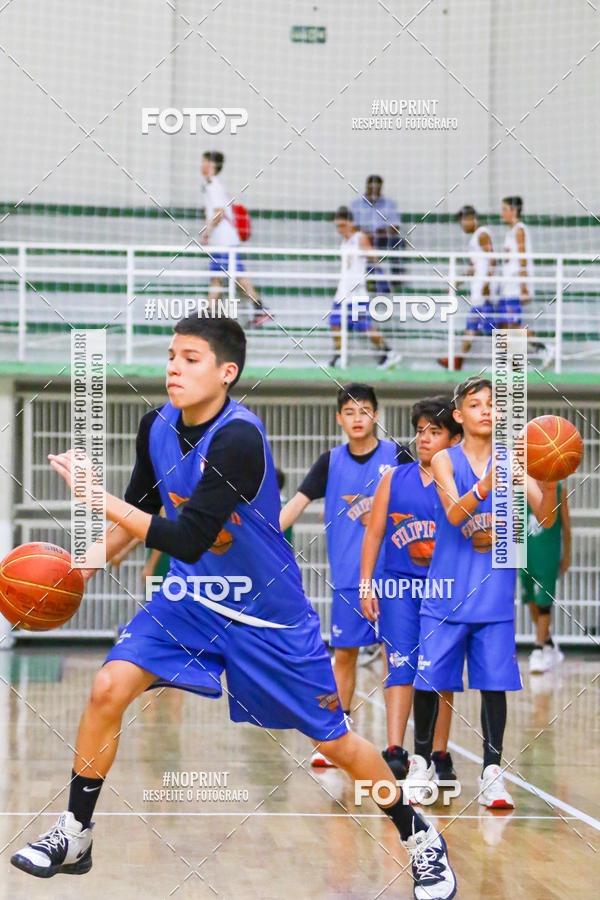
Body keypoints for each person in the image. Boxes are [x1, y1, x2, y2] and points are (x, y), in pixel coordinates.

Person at [11, 316, 457, 899]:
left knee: (334, 743)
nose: (174, 367)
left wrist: (95, 498)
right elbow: (139, 511)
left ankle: (419, 835)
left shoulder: (239, 438)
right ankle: (76, 832)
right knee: (107, 688)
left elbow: (186, 537)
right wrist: (80, 569)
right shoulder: (155, 427)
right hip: (192, 598)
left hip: (267, 613)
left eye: (190, 358)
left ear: (227, 372)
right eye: (171, 355)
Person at [408, 377, 559, 809]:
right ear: (459, 415)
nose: (487, 410)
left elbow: (546, 518)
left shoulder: (514, 460)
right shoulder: (444, 459)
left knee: (494, 686)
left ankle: (492, 772)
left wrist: (549, 481)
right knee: (430, 681)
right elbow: (455, 514)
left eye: (493, 404)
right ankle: (421, 762)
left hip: (494, 597)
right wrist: (487, 484)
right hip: (446, 594)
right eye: (476, 404)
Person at [280, 383, 412, 767]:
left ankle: (396, 746)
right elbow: (295, 505)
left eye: (364, 411)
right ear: (339, 418)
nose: (358, 418)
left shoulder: (397, 455)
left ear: (376, 415)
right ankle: (337, 737)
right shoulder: (330, 462)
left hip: (396, 577)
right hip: (349, 579)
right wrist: (262, 538)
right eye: (350, 412)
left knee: (394, 658)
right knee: (345, 656)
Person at [360, 397, 462, 783]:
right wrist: (366, 584)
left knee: (441, 671)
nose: (424, 439)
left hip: (444, 586)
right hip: (398, 584)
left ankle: (439, 753)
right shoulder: (393, 478)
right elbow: (374, 534)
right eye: (420, 431)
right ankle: (395, 750)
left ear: (454, 439)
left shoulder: (460, 481)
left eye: (434, 432)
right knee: (399, 665)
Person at [200, 151, 268, 327]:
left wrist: (207, 232)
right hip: (220, 242)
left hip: (225, 242)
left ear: (212, 165)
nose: (201, 165)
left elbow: (219, 212)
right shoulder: (210, 185)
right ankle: (209, 315)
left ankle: (260, 308)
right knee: (217, 277)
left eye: (204, 162)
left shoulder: (214, 186)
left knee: (235, 275)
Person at [328, 207, 400, 369]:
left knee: (365, 326)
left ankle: (389, 353)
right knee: (334, 323)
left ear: (351, 223)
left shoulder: (360, 238)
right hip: (343, 292)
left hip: (356, 292)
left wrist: (368, 254)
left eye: (342, 225)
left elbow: (374, 257)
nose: (340, 229)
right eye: (338, 226)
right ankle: (339, 356)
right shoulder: (345, 242)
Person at [521, 481, 570, 673]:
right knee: (531, 601)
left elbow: (566, 525)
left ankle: (538, 649)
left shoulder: (558, 488)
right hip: (526, 553)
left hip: (548, 553)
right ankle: (548, 641)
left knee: (544, 602)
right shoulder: (521, 484)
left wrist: (567, 555)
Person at [438, 205, 495, 371]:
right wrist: (455, 284)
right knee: (476, 326)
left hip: (484, 291)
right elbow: (472, 268)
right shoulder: (476, 238)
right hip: (479, 290)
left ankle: (517, 359)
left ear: (471, 219)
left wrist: (488, 283)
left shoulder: (482, 234)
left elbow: (493, 260)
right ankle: (458, 360)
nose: (461, 225)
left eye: (462, 221)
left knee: (493, 328)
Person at [500, 196, 552, 369]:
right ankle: (512, 363)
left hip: (515, 286)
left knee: (512, 324)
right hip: (508, 286)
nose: (502, 213)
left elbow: (522, 259)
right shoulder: (510, 232)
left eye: (505, 209)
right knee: (506, 325)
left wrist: (523, 285)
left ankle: (543, 348)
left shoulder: (519, 230)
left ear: (514, 211)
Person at [351, 174, 405, 287]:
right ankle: (365, 278)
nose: (374, 189)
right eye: (372, 186)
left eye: (377, 187)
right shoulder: (356, 204)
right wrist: (365, 234)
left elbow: (395, 227)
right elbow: (353, 227)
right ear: (367, 186)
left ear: (381, 187)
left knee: (398, 242)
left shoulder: (390, 204)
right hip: (364, 238)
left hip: (383, 238)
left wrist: (380, 233)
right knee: (357, 242)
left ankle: (397, 280)